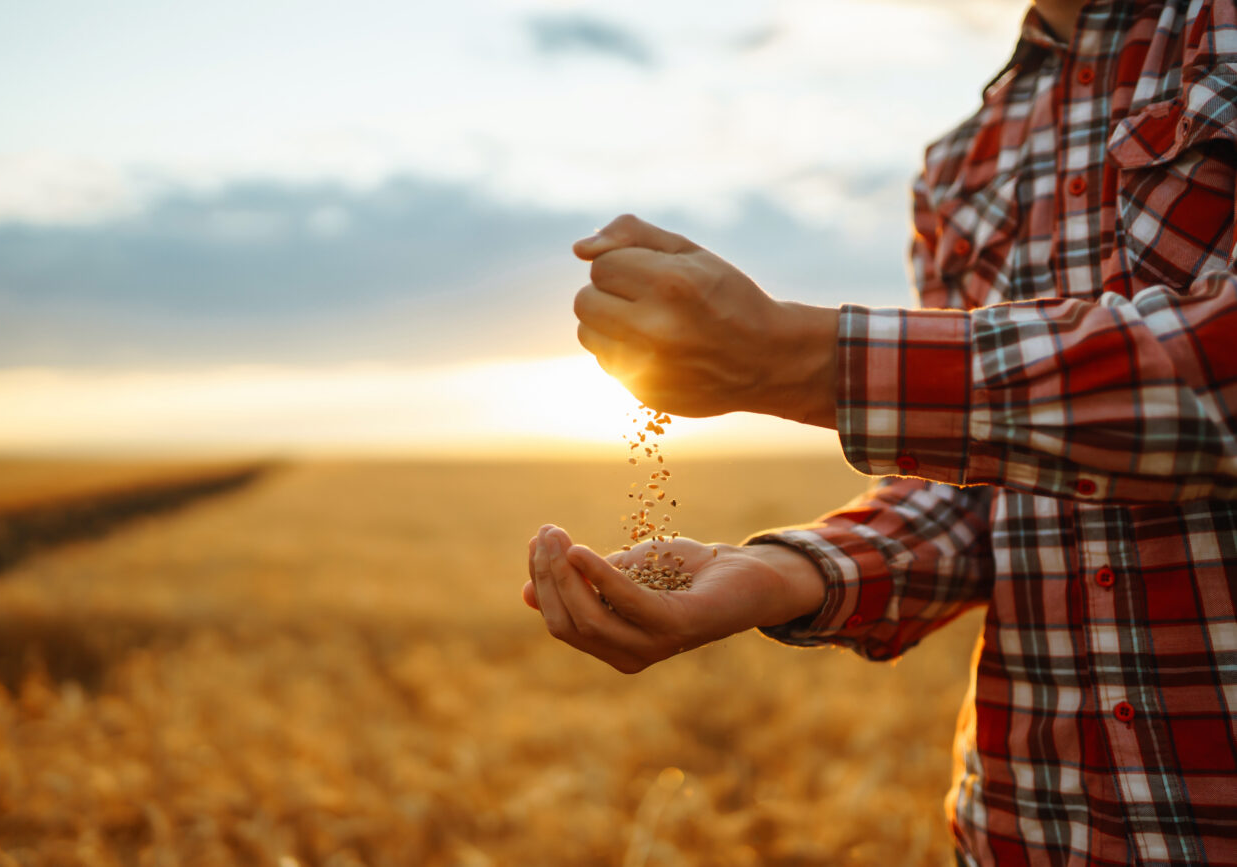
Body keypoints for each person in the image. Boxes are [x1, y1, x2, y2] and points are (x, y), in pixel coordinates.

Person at [521, 0, 1237, 864]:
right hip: (1026, 830)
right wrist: (782, 571)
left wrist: (804, 363)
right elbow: (995, 486)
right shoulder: (964, 162)